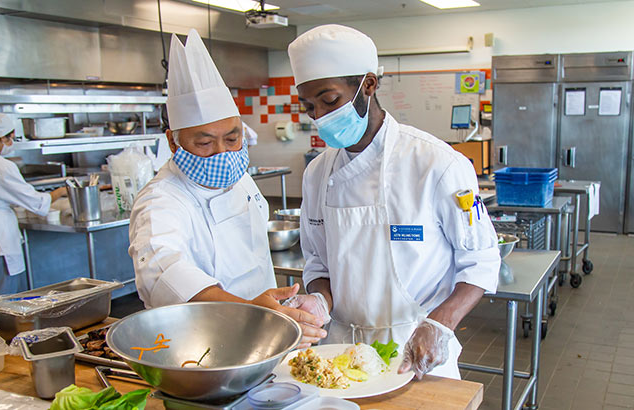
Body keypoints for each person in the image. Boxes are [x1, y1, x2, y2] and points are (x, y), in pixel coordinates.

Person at [286, 25, 500, 379]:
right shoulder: (317, 175)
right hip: (338, 355)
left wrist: (440, 325)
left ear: (368, 85)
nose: (320, 116)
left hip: (417, 351)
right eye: (309, 106)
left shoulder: (437, 164)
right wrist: (319, 300)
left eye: (330, 100)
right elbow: (317, 261)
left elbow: (480, 259)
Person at [129, 28, 326, 348]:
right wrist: (249, 312)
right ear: (173, 141)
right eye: (204, 142)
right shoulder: (161, 200)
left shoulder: (237, 175)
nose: (223, 153)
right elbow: (164, 273)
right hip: (201, 344)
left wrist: (269, 317)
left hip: (266, 334)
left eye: (232, 138)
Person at [0, 113, 67, 295]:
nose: (12, 142)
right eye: (12, 137)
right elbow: (36, 202)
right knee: (1, 299)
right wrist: (60, 192)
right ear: (3, 137)